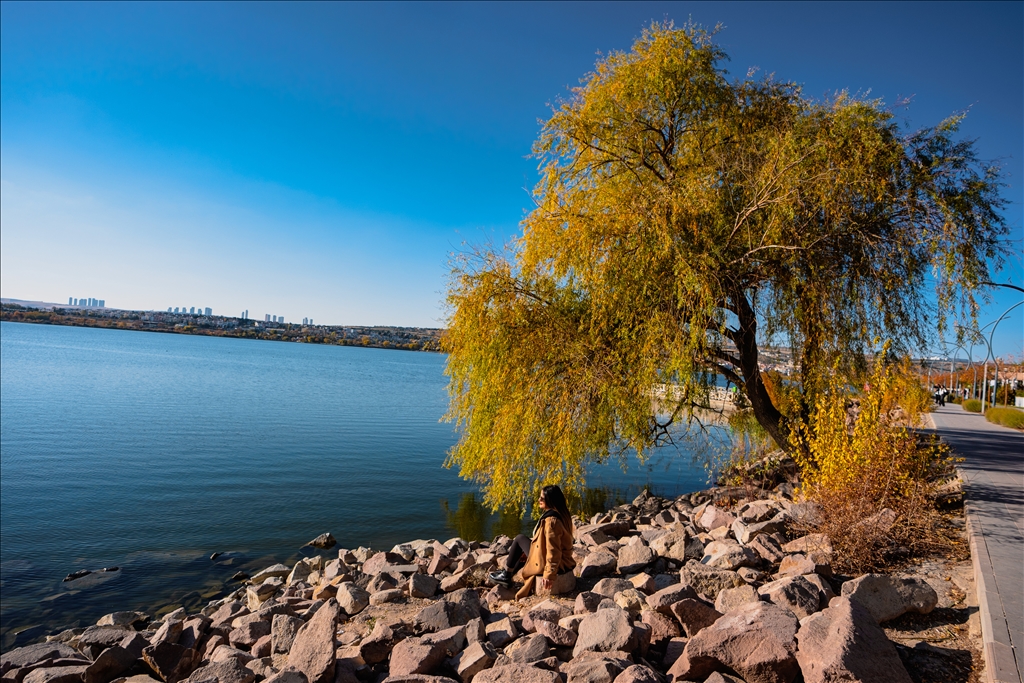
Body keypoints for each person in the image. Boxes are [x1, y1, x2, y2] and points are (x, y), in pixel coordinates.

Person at [488, 484, 576, 599]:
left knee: (519, 538)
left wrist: (549, 574)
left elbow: (553, 550)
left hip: (558, 563)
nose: (539, 500)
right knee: (525, 546)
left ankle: (506, 574)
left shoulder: (551, 522)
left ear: (551, 500)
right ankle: (507, 573)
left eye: (542, 498)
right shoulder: (562, 513)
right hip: (565, 559)